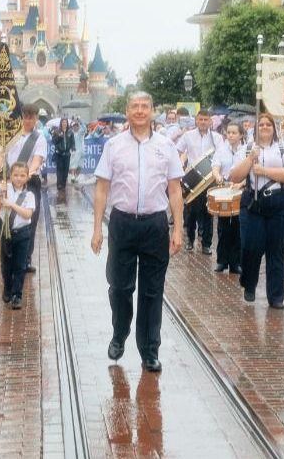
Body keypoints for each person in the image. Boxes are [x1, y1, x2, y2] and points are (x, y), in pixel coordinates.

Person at [90, 91, 184, 373]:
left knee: (152, 291)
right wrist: (97, 229)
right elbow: (102, 188)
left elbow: (175, 190)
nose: (140, 111)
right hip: (122, 223)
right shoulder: (113, 146)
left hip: (155, 224)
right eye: (135, 106)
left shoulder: (166, 146)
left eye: (145, 106)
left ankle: (150, 350)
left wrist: (178, 229)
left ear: (152, 111)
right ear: (127, 111)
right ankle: (120, 332)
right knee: (120, 286)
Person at [231, 112, 284, 308]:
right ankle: (249, 284)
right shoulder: (246, 149)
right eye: (261, 124)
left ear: (274, 128)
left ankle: (276, 297)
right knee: (251, 248)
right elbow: (235, 176)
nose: (265, 127)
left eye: (268, 124)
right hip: (254, 204)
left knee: (277, 251)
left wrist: (265, 171)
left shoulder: (283, 148)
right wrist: (250, 159)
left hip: (279, 203)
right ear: (255, 128)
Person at [4, 106, 49, 272]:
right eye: (25, 117)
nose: (28, 120)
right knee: (8, 217)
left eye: (31, 117)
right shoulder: (11, 136)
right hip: (11, 179)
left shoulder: (39, 138)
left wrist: (26, 175)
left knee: (30, 220)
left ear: (36, 118)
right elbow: (3, 155)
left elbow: (37, 160)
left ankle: (25, 259)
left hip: (30, 181)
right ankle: (8, 254)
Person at [0, 161, 37, 309]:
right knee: (6, 265)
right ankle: (7, 287)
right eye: (16, 175)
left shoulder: (29, 195)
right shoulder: (4, 190)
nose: (18, 178)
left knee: (20, 265)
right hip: (6, 233)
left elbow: (27, 214)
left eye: (22, 175)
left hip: (23, 233)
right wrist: (0, 194)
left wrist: (11, 204)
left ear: (27, 177)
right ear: (10, 176)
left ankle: (17, 295)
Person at [175, 108, 220, 255]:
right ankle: (190, 240)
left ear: (210, 121)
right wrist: (181, 165)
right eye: (200, 119)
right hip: (193, 178)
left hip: (209, 180)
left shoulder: (217, 138)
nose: (203, 122)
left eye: (206, 120)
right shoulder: (187, 136)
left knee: (208, 213)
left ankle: (206, 244)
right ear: (196, 120)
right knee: (191, 212)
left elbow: (221, 156)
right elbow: (178, 151)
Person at [213, 120, 245, 274]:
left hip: (240, 191)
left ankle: (236, 263)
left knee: (238, 227)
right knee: (223, 227)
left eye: (234, 133)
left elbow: (250, 172)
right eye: (229, 132)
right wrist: (218, 176)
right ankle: (222, 261)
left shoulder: (246, 150)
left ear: (241, 135)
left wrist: (241, 184)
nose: (230, 135)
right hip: (225, 191)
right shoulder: (221, 149)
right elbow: (215, 167)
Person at [51, 117, 76, 193]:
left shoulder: (70, 132)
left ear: (67, 123)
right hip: (59, 153)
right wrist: (59, 137)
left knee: (66, 170)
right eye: (63, 122)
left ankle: (64, 184)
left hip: (67, 154)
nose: (64, 123)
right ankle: (59, 184)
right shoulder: (57, 131)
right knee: (59, 169)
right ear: (61, 123)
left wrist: (73, 147)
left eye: (65, 122)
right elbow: (54, 141)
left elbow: (72, 142)